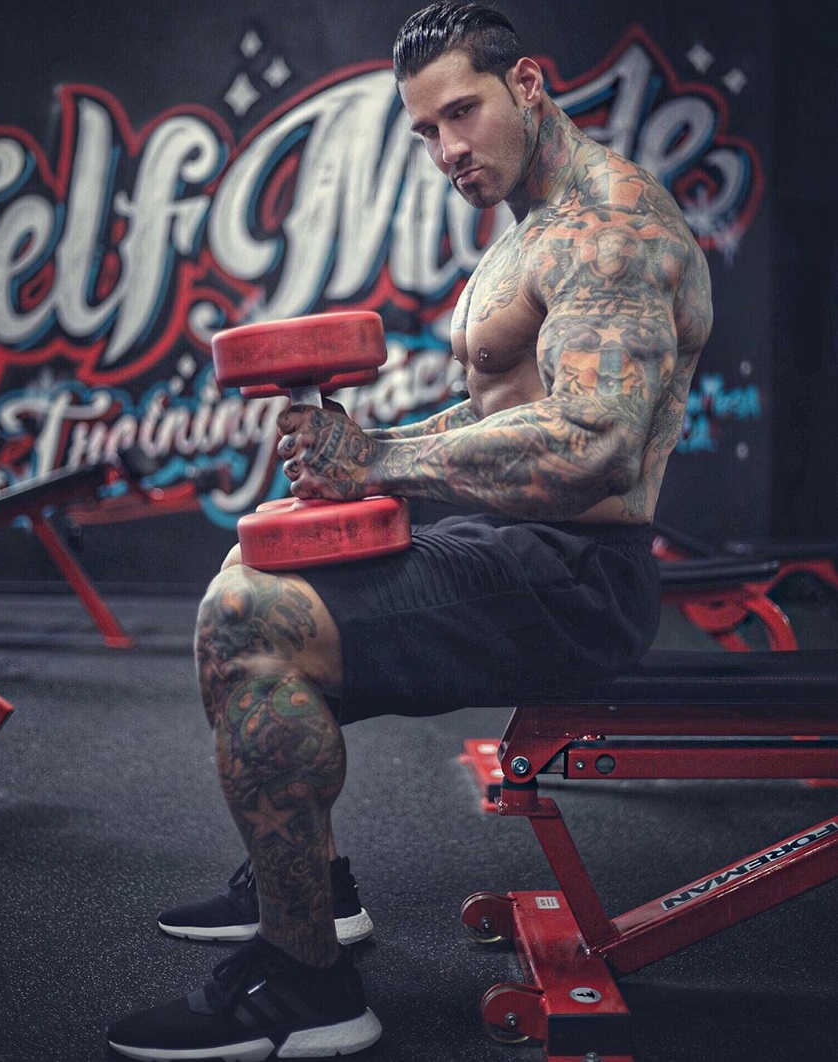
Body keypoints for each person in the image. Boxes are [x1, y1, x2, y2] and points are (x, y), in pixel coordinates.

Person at [107, 2, 712, 1058]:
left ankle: (309, 988)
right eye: (424, 130)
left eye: (462, 114)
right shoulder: (534, 218)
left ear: (528, 82)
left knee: (252, 620)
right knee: (250, 570)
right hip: (522, 549)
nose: (445, 150)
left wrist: (380, 463)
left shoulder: (609, 232)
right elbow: (499, 419)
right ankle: (310, 890)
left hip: (578, 576)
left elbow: (594, 446)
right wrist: (366, 445)